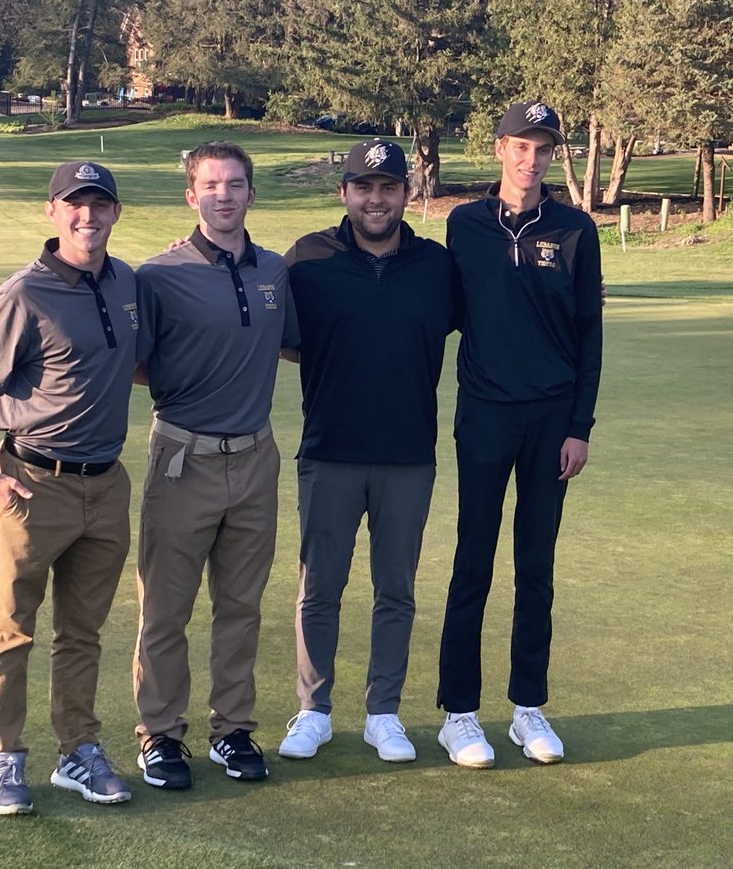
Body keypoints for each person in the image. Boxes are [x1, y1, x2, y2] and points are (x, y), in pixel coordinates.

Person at [0, 161, 137, 814]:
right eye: (75, 205)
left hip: (106, 484)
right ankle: (4, 759)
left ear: (116, 212)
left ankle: (77, 753)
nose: (88, 216)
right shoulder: (24, 293)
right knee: (10, 629)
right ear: (52, 211)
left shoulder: (127, 284)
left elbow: (131, 362)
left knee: (82, 632)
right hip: (33, 483)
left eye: (99, 205)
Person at [277, 139, 458, 763]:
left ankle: (384, 713)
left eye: (388, 188)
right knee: (319, 587)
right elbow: (257, 317)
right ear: (344, 193)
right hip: (329, 449)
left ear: (409, 193)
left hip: (409, 453)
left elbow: (496, 313)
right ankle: (314, 710)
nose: (376, 199)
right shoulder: (307, 259)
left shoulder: (437, 265)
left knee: (396, 590)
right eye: (364, 187)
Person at [436, 101, 603, 768]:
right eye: (520, 146)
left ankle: (527, 706)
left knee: (536, 566)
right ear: (499, 148)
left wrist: (579, 427)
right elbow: (441, 312)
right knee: (472, 562)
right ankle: (459, 713)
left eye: (543, 148)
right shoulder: (464, 225)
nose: (530, 159)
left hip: (551, 421)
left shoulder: (575, 230)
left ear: (553, 155)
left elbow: (589, 334)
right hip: (483, 413)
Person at [132, 141, 298, 790]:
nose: (223, 195)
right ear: (191, 196)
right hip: (182, 458)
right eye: (210, 185)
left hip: (256, 458)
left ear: (251, 194)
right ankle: (160, 736)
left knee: (241, 607)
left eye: (234, 184)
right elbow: (137, 363)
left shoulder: (276, 270)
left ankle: (232, 729)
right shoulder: (158, 274)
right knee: (165, 610)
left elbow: (290, 344)